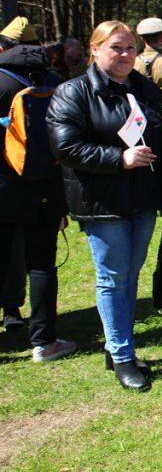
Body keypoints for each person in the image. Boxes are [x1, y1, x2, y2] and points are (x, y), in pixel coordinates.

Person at [46, 21, 162, 391]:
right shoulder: (73, 92)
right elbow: (65, 147)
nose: (124, 55)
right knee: (112, 278)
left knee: (129, 276)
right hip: (102, 203)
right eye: (116, 48)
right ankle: (122, 355)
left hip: (142, 200)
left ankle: (117, 346)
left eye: (130, 48)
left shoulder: (144, 88)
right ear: (95, 49)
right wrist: (120, 158)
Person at [0, 41, 75, 363]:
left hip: (3, 185)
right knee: (42, 265)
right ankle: (44, 341)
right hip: (46, 188)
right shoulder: (56, 85)